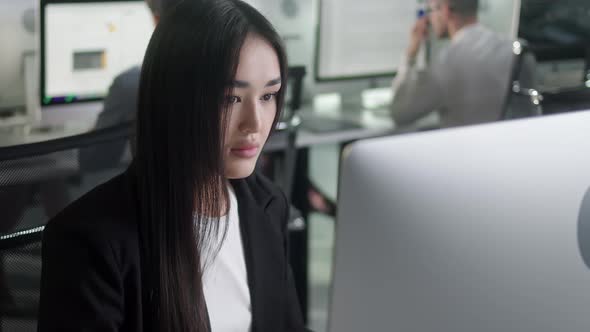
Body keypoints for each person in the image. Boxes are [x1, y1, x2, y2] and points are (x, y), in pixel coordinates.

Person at [37, 0, 308, 331]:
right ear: (176, 100)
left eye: (268, 96)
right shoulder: (89, 241)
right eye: (229, 99)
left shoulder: (268, 206)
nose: (255, 123)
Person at [391, 0, 536, 128]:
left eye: (430, 10)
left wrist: (411, 54)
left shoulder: (445, 63)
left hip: (463, 154)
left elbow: (400, 114)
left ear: (445, 10)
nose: (429, 18)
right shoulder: (515, 50)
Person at [78, 0, 182, 171]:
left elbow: (92, 161)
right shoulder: (228, 76)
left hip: (149, 192)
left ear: (157, 21)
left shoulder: (133, 84)